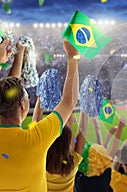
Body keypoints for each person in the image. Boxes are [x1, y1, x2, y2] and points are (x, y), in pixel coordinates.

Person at [0, 39, 79, 191]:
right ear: (23, 104)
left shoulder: (35, 139)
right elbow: (69, 101)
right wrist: (72, 57)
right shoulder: (35, 139)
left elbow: (69, 102)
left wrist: (14, 56)